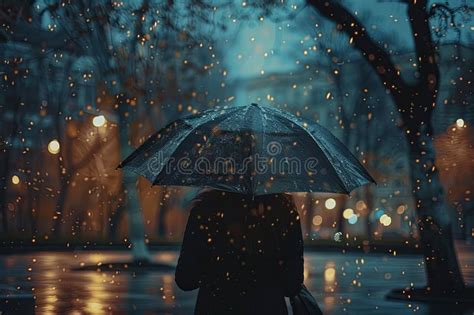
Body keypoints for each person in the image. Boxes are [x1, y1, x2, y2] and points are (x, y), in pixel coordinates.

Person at [175, 189, 304, 314]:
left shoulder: (205, 211)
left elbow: (186, 280)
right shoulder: (284, 214)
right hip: (268, 308)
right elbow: (292, 286)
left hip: (215, 308)